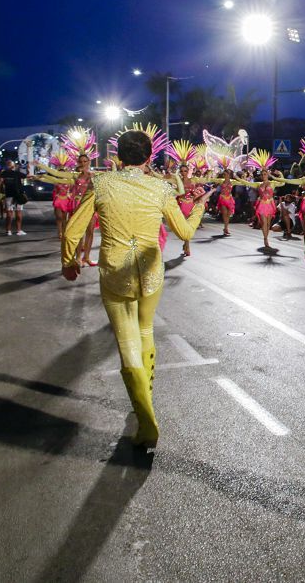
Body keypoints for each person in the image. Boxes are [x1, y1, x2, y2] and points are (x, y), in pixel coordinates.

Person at [61, 130, 213, 447]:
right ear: (148, 158)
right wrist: (198, 206)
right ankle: (147, 400)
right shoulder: (160, 188)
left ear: (118, 157)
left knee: (127, 342)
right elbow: (184, 230)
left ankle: (146, 421)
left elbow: (74, 228)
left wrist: (69, 262)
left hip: (115, 272)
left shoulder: (101, 184)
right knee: (145, 331)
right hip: (151, 273)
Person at [0, 160, 29, 236]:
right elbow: (26, 176)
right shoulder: (17, 173)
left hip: (9, 195)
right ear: (13, 166)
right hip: (18, 195)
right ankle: (18, 230)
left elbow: (0, 181)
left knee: (9, 213)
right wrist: (27, 169)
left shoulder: (4, 173)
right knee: (18, 212)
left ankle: (8, 230)